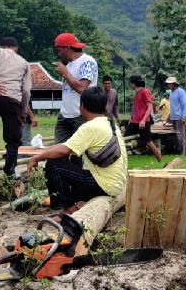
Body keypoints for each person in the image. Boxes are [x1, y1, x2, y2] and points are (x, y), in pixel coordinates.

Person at [26, 86, 127, 214]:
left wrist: (37, 157)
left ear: (82, 107)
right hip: (115, 184)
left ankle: (68, 209)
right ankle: (76, 200)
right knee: (72, 159)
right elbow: (66, 147)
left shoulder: (90, 127)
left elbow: (63, 150)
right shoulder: (110, 123)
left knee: (54, 165)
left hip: (104, 185)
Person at [0, 37, 32, 177]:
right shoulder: (24, 63)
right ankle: (9, 173)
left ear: (1, 46)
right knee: (13, 139)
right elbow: (26, 91)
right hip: (12, 100)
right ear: (16, 48)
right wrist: (23, 110)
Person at [52, 32, 98, 143]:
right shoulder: (68, 65)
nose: (59, 54)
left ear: (67, 48)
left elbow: (82, 88)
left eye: (59, 50)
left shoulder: (87, 62)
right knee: (59, 150)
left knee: (80, 151)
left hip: (81, 116)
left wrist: (65, 73)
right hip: (65, 115)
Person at [125, 75, 162, 162]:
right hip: (134, 122)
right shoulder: (136, 94)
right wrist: (131, 119)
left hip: (143, 122)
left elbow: (149, 107)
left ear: (134, 83)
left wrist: (143, 120)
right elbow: (136, 109)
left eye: (131, 83)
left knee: (148, 142)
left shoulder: (145, 92)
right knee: (123, 139)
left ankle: (160, 160)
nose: (130, 85)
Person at [166, 76, 186, 154]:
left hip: (180, 117)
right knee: (176, 136)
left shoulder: (181, 92)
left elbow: (185, 104)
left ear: (174, 84)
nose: (168, 85)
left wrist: (184, 116)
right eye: (168, 84)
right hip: (173, 118)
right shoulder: (171, 93)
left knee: (180, 136)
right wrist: (169, 116)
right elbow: (173, 106)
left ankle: (182, 153)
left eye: (170, 84)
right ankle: (178, 152)